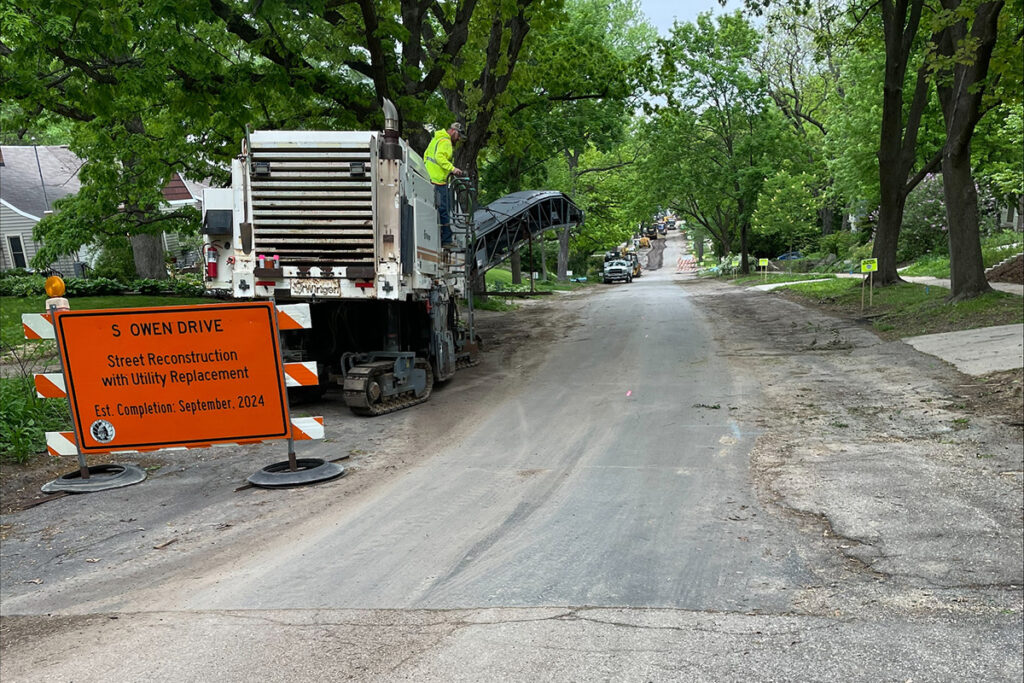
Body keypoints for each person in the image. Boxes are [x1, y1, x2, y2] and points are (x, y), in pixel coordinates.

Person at [424, 122, 465, 248]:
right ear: (453, 131)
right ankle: (446, 240)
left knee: (438, 209)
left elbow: (426, 156)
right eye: (458, 136)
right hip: (438, 180)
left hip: (430, 177)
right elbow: (439, 157)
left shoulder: (436, 139)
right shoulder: (446, 142)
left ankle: (443, 236)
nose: (458, 139)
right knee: (444, 210)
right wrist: (452, 169)